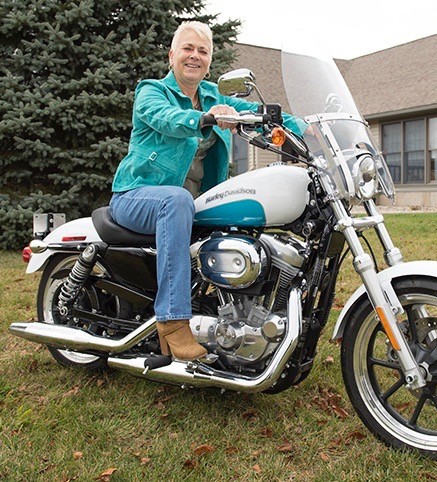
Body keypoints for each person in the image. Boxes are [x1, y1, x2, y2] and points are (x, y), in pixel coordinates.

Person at [109, 21, 305, 361]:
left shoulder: (216, 96)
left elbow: (260, 115)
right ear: (172, 55)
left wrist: (306, 127)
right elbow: (166, 118)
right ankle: (172, 322)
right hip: (137, 195)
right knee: (176, 199)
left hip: (193, 204)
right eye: (188, 48)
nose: (195, 56)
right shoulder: (151, 91)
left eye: (203, 51)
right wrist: (205, 118)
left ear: (210, 61)